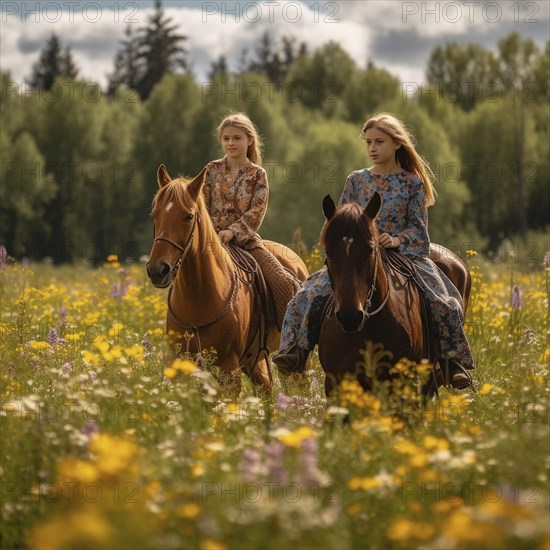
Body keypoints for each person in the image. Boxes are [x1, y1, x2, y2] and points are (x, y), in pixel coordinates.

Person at [273, 113, 475, 390]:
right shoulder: (355, 180)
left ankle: (453, 362)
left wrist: (395, 240)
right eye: (368, 142)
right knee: (306, 294)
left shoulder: (411, 182)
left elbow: (419, 231)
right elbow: (340, 221)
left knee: (444, 300)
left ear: (397, 144)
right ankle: (295, 351)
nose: (372, 147)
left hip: (404, 255)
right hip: (358, 255)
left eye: (379, 141)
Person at [201, 112, 301, 329]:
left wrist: (233, 232)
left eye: (237, 138)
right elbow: (202, 205)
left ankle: (291, 342)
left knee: (282, 282)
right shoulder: (211, 169)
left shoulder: (258, 174)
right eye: (226, 138)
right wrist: (212, 231)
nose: (231, 143)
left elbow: (257, 210)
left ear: (250, 140)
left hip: (246, 242)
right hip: (211, 239)